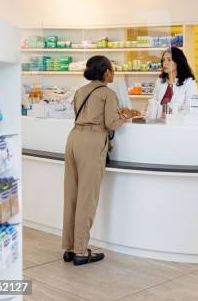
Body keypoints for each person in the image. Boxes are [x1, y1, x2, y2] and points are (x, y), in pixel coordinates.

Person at [62, 56, 137, 266]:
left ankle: (68, 247)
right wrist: (127, 115)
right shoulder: (107, 93)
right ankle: (80, 250)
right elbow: (111, 123)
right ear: (105, 72)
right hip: (92, 143)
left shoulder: (80, 91)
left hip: (73, 139)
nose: (113, 74)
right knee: (87, 198)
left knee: (72, 196)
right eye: (112, 70)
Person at [147, 47, 198, 117]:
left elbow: (190, 109)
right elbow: (154, 102)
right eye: (163, 60)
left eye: (169, 60)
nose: (165, 63)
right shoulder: (160, 80)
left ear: (178, 62)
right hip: (159, 123)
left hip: (178, 125)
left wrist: (170, 115)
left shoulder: (189, 82)